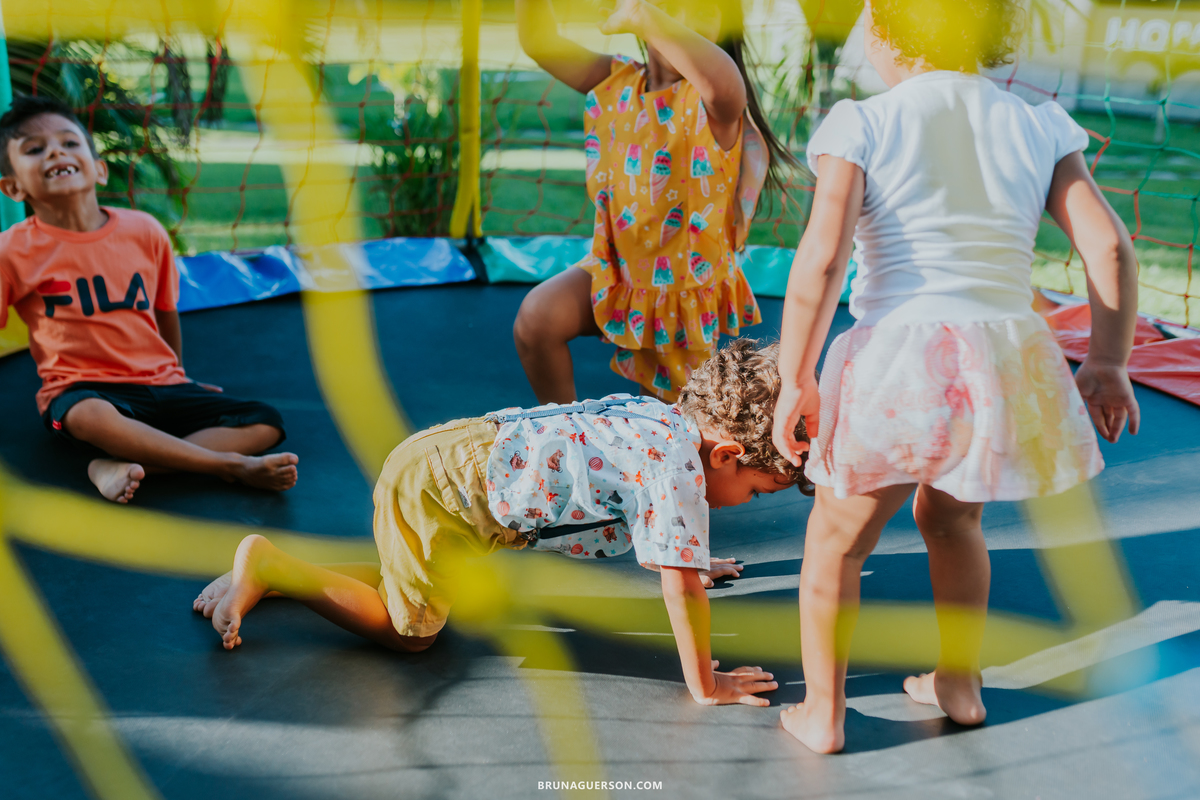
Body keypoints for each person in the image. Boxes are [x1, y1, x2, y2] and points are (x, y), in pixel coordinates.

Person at [771, 0, 1140, 753]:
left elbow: (820, 262)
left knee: (837, 543)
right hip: (1003, 362)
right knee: (955, 521)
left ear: (884, 32)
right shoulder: (1039, 122)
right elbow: (1110, 251)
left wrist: (795, 375)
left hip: (899, 359)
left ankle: (825, 715)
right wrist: (1106, 363)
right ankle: (959, 684)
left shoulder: (862, 121)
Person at [194, 339, 809, 707]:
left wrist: (696, 555)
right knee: (412, 633)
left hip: (459, 452)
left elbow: (670, 531)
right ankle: (273, 565)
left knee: (428, 582)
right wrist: (706, 685)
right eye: (756, 491)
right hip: (447, 493)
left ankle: (272, 578)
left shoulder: (664, 421)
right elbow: (679, 586)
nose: (748, 502)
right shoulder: (677, 469)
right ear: (727, 455)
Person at [0, 95, 298, 503]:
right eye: (34, 149)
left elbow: (164, 313)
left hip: (161, 384)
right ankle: (230, 465)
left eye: (70, 143)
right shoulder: (11, 250)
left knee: (264, 420)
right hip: (87, 391)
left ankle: (122, 465)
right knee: (86, 415)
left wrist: (180, 376)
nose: (55, 151)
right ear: (12, 187)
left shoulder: (144, 230)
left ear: (99, 169)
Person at [512, 0, 800, 404]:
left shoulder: (715, 103)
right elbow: (539, 41)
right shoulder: (616, 80)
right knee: (536, 319)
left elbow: (725, 84)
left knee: (675, 423)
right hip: (618, 272)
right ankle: (563, 424)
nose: (676, 11)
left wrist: (645, 17)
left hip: (681, 292)